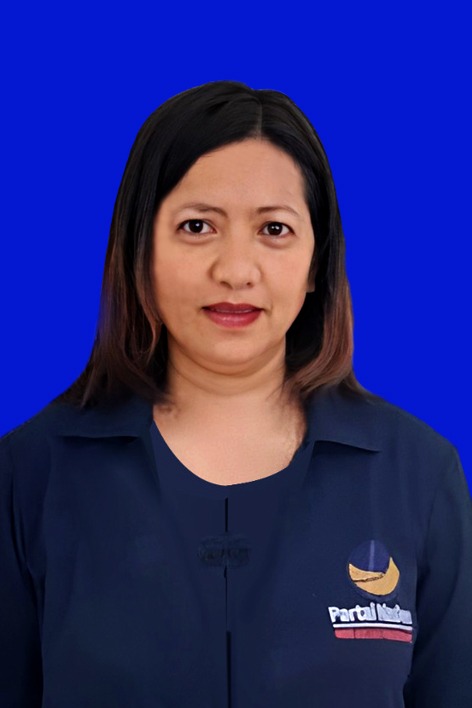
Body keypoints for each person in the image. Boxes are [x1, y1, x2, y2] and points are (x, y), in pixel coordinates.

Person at [1, 80, 471, 708]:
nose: (235, 270)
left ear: (317, 262)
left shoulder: (418, 475)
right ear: (141, 249)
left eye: (274, 229)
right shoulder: (32, 474)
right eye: (197, 226)